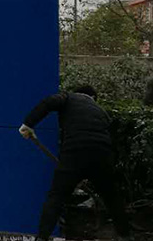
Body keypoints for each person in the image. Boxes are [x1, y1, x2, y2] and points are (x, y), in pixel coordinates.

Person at [19, 84, 131, 241]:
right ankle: (125, 236)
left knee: (56, 197)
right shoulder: (101, 112)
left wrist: (28, 124)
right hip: (102, 154)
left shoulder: (68, 97)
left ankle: (42, 238)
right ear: (93, 97)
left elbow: (49, 102)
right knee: (112, 197)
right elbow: (113, 138)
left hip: (74, 152)